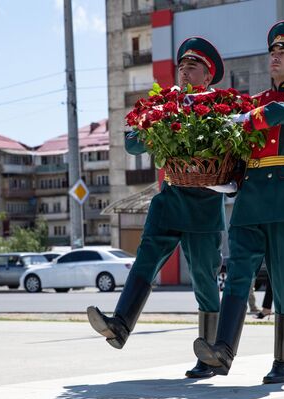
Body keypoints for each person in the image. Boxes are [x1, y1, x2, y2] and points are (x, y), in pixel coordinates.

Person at [86, 37, 226, 379]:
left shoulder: (220, 107)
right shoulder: (166, 106)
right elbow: (133, 143)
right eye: (182, 67)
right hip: (171, 195)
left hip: (205, 202)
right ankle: (120, 324)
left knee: (205, 280)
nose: (185, 71)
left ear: (208, 76)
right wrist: (154, 125)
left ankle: (209, 355)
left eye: (193, 67)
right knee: (146, 258)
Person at [193, 20, 284, 384]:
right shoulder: (255, 101)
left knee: (283, 280)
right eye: (273, 52)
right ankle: (223, 350)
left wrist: (249, 118)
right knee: (237, 275)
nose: (276, 56)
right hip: (250, 199)